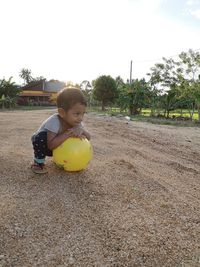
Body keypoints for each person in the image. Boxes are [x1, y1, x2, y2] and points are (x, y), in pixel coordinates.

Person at [31, 87, 91, 174]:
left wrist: (82, 130)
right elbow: (50, 145)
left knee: (76, 134)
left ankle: (61, 159)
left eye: (83, 113)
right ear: (62, 112)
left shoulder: (76, 122)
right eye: (77, 114)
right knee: (40, 137)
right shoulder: (54, 121)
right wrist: (68, 134)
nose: (81, 118)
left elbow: (89, 137)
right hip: (44, 145)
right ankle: (38, 162)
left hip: (58, 144)